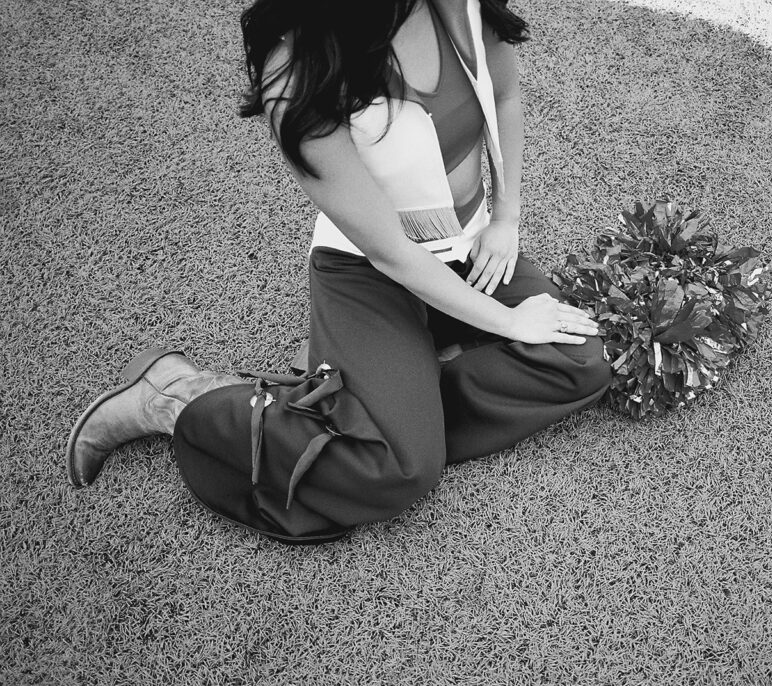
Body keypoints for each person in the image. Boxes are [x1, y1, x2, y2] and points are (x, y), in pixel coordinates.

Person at [65, 0, 611, 544]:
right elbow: (390, 252)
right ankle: (180, 395)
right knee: (399, 468)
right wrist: (512, 324)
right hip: (368, 271)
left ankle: (391, 394)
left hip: (468, 245)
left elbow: (506, 96)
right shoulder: (298, 72)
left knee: (583, 358)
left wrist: (506, 217)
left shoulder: (461, 7)